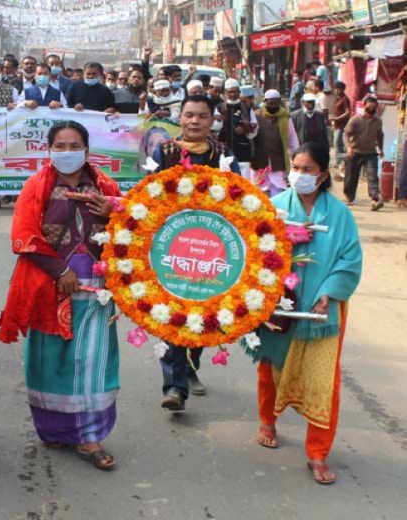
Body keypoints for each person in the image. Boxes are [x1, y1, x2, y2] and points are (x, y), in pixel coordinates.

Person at [0, 120, 121, 470]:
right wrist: (60, 271)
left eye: (74, 146)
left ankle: (89, 435)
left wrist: (115, 211)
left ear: (87, 149)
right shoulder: (36, 186)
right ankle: (53, 428)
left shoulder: (105, 186)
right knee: (50, 360)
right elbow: (23, 234)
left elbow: (133, 229)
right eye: (60, 146)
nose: (68, 153)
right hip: (48, 284)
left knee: (92, 360)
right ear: (49, 150)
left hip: (97, 285)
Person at [245, 142, 362, 486]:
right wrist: (285, 240)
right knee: (270, 368)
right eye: (295, 168)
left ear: (323, 174)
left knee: (325, 383)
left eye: (307, 169)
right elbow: (257, 251)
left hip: (323, 312)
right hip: (279, 304)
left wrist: (329, 293)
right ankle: (268, 421)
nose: (299, 174)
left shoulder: (340, 215)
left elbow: (350, 260)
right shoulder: (275, 207)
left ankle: (318, 452)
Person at [150, 95, 240, 411]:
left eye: (202, 116)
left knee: (201, 311)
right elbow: (149, 192)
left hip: (211, 247)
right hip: (172, 245)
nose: (195, 121)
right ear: (180, 117)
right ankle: (174, 387)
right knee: (174, 311)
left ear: (212, 120)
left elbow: (239, 195)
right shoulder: (165, 152)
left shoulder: (224, 154)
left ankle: (190, 368)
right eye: (189, 115)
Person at [253, 89, 300, 195]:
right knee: (259, 188)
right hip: (260, 158)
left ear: (279, 102)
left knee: (277, 188)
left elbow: (292, 138)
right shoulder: (257, 115)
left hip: (278, 158)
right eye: (270, 103)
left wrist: (297, 157)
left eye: (276, 103)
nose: (273, 106)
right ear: (265, 102)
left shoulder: (285, 117)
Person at [343, 94, 385, 210]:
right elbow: (346, 134)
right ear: (364, 106)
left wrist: (381, 149)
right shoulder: (355, 119)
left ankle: (375, 200)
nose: (371, 109)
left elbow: (380, 136)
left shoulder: (378, 121)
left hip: (370, 153)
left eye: (374, 107)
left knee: (372, 176)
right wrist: (349, 147)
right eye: (369, 107)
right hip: (355, 152)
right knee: (351, 177)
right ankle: (349, 197)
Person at [219, 79, 259, 178]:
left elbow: (255, 127)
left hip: (242, 151)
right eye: (230, 92)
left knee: (243, 180)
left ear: (239, 92)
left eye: (235, 91)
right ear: (225, 92)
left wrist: (245, 129)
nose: (233, 94)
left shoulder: (246, 108)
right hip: (224, 150)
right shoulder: (220, 108)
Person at [331, 81, 351, 178]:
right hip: (336, 124)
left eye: (337, 89)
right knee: (337, 143)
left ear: (342, 89)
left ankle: (341, 162)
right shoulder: (336, 99)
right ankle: (340, 162)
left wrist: (337, 118)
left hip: (343, 125)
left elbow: (348, 112)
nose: (336, 90)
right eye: (335, 89)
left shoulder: (345, 99)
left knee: (338, 143)